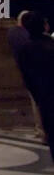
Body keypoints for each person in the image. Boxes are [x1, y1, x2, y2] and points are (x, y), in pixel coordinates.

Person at [13, 10, 54, 163]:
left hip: (43, 96)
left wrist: (38, 96)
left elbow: (27, 77)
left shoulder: (25, 49)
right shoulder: (51, 45)